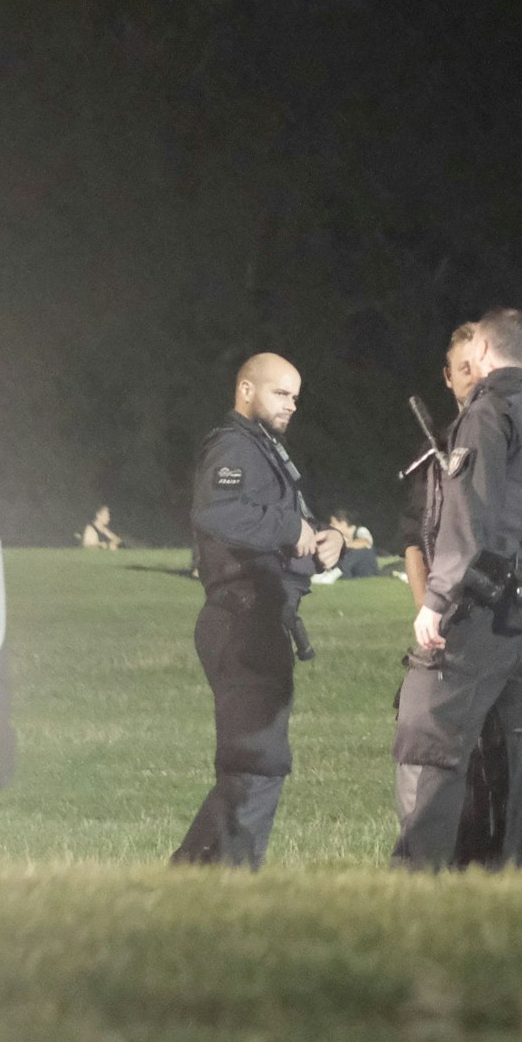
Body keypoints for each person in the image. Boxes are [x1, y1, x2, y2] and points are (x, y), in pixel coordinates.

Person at [392, 308, 522, 871]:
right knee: (521, 744)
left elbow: (468, 520)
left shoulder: (487, 412)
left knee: (428, 729)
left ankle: (415, 879)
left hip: (488, 605)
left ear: (479, 346)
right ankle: (521, 878)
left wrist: (436, 602)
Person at [173, 353, 344, 869]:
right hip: (242, 617)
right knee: (256, 764)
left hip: (262, 618)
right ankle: (228, 883)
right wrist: (288, 530)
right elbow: (217, 511)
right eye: (280, 393)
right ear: (246, 390)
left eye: (295, 396)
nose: (291, 404)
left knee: (252, 766)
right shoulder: (235, 446)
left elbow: (290, 532)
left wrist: (327, 540)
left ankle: (190, 881)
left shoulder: (266, 453)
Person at [397, 321, 522, 868]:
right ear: (448, 377)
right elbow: (414, 542)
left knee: (503, 757)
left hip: (497, 617)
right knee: (438, 755)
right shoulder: (434, 456)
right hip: (451, 623)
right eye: (462, 369)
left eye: (478, 366)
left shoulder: (496, 432)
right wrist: (433, 613)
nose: (472, 376)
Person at [309, 508, 378, 582]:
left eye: (333, 523)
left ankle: (334, 573)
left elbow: (366, 542)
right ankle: (326, 572)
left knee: (363, 550)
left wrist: (345, 545)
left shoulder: (361, 530)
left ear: (343, 523)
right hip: (350, 570)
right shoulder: (341, 537)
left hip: (365, 569)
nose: (330, 526)